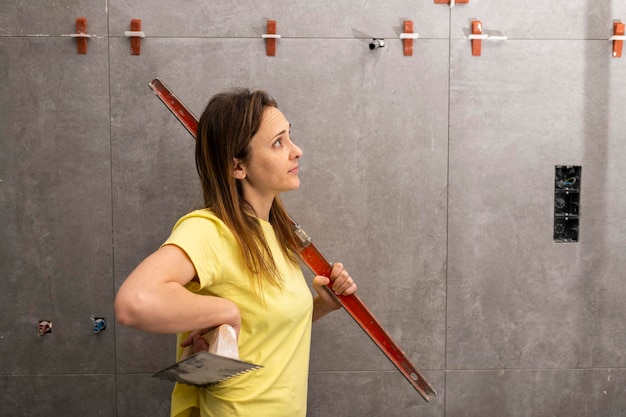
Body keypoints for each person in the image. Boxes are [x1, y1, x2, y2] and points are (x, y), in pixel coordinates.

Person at [114, 87, 357, 417]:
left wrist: (319, 307)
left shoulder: (277, 234)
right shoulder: (211, 230)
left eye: (290, 137)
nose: (296, 151)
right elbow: (134, 303)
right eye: (278, 142)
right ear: (237, 167)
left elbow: (261, 328)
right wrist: (223, 311)